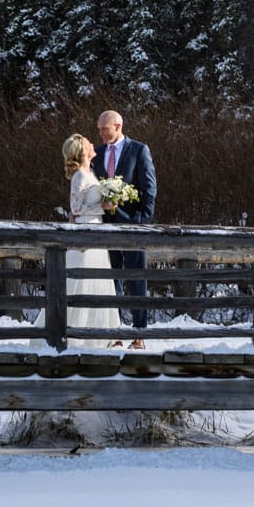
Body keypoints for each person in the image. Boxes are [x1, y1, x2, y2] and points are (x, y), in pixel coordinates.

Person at [37, 134, 121, 346]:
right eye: (88, 144)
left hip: (95, 228)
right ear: (82, 151)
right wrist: (102, 207)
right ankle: (75, 333)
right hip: (85, 229)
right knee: (81, 279)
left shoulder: (89, 172)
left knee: (98, 278)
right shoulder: (79, 177)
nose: (93, 144)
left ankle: (103, 332)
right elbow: (75, 208)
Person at [92, 110, 157, 343]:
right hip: (105, 226)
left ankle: (139, 333)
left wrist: (142, 221)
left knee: (136, 279)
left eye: (104, 129)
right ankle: (116, 331)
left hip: (133, 226)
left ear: (118, 126)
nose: (100, 133)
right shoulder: (96, 154)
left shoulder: (139, 150)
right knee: (111, 279)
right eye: (99, 128)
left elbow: (149, 188)